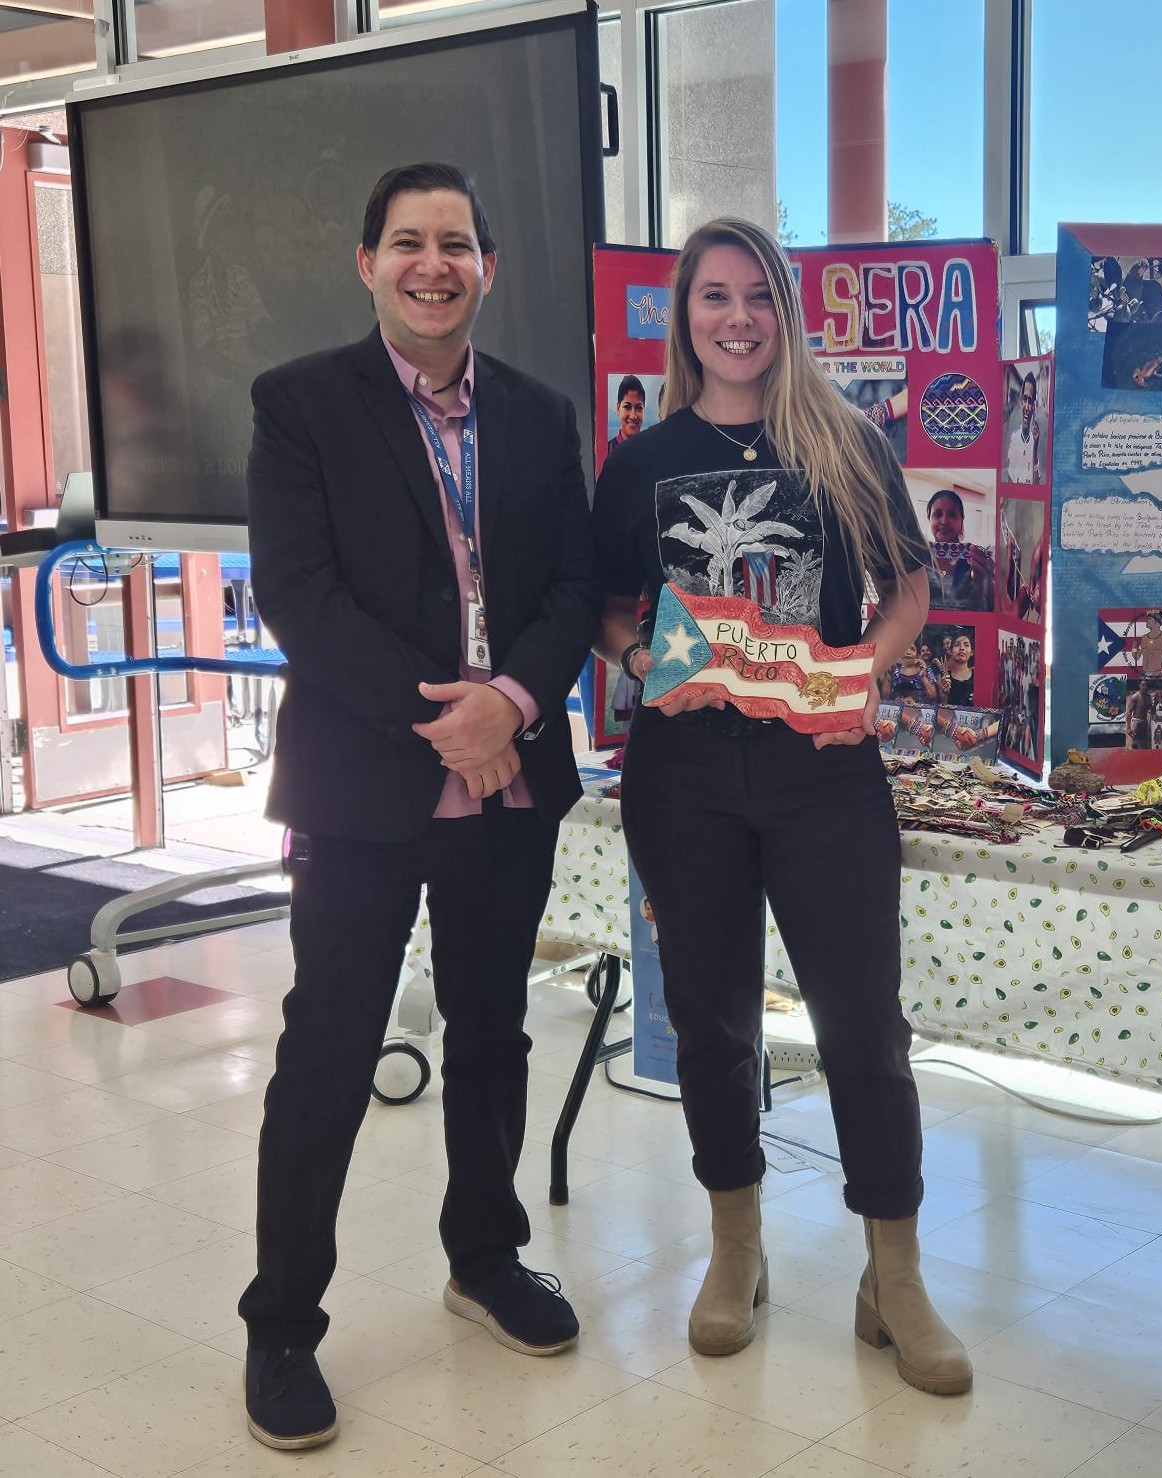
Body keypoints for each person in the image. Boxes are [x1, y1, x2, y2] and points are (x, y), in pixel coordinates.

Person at [240, 163, 597, 1450]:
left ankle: (485, 1255)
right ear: (368, 262)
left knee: (492, 1031)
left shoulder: (542, 412)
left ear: (488, 268)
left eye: (456, 243)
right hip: (364, 784)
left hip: (514, 787)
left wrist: (514, 700)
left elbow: (573, 580)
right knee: (328, 1049)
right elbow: (299, 593)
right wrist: (454, 718)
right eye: (408, 242)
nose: (431, 264)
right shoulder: (301, 405)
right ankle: (283, 1322)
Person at [590, 217, 971, 1395]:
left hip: (825, 781)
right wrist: (645, 656)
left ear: (785, 311)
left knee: (865, 1026)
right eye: (713, 296)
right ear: (683, 314)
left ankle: (891, 1272)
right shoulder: (640, 461)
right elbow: (607, 608)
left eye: (757, 295)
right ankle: (735, 1246)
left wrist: (871, 667)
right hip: (686, 777)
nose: (737, 317)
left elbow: (908, 584)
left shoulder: (846, 442)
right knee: (712, 1023)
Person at [924, 487, 996, 611]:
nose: (944, 521)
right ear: (929, 519)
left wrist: (985, 581)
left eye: (952, 514)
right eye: (937, 514)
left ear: (961, 520)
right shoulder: (918, 559)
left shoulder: (976, 558)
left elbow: (991, 607)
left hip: (967, 629)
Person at [1003, 370, 1042, 483]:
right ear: (1021, 402)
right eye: (1025, 399)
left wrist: (1035, 447)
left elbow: (1036, 484)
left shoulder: (1034, 441)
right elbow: (1010, 478)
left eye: (1030, 401)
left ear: (1034, 406)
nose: (1026, 406)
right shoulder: (1014, 438)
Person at [603, 372, 646, 467]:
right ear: (618, 408)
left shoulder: (651, 452)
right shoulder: (605, 452)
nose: (633, 416)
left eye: (639, 408)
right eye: (627, 407)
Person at [941, 633, 977, 705]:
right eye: (957, 645)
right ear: (951, 651)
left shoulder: (978, 675)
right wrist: (944, 695)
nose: (961, 648)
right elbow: (942, 709)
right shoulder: (945, 677)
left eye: (966, 645)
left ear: (972, 652)